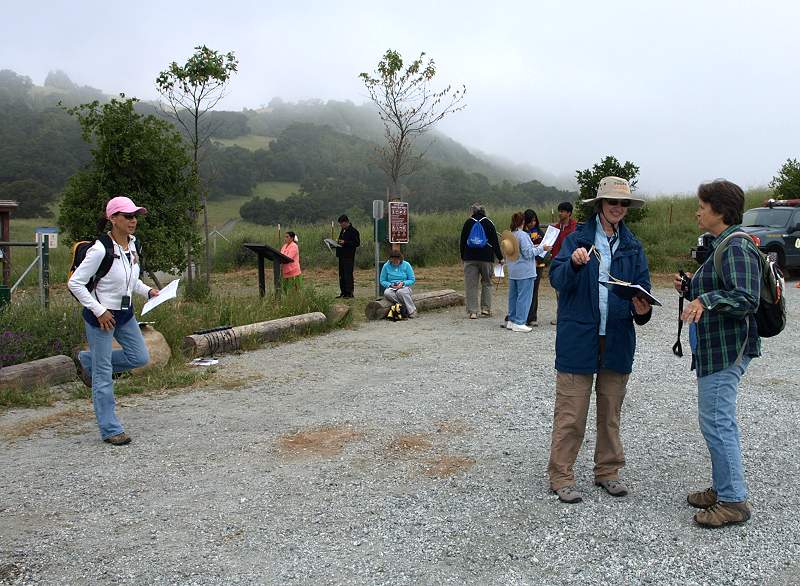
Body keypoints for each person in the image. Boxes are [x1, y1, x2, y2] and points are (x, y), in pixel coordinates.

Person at [547, 176, 652, 503]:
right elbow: (556, 279)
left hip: (617, 339)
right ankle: (561, 476)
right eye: (612, 202)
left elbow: (643, 292)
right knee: (571, 413)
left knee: (610, 414)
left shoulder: (633, 246)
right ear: (600, 205)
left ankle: (608, 471)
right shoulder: (575, 240)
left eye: (623, 203)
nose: (618, 208)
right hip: (578, 337)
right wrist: (574, 264)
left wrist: (642, 309)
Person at [673, 179, 761, 528]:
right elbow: (721, 289)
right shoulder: (722, 244)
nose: (697, 212)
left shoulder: (736, 246)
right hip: (716, 348)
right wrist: (691, 288)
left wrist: (704, 299)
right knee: (715, 421)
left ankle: (733, 501)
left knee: (717, 422)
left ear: (720, 210)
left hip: (728, 349)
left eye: (702, 206)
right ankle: (724, 487)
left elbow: (746, 298)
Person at [68, 196, 159, 446]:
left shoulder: (133, 245)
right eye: (127, 216)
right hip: (101, 318)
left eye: (135, 216)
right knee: (103, 375)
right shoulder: (100, 250)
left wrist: (148, 291)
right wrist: (99, 311)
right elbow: (75, 284)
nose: (133, 220)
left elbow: (130, 280)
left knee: (140, 357)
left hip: (125, 314)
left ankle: (87, 361)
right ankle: (110, 429)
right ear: (113, 219)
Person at [501, 212, 550, 332]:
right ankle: (520, 321)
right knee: (524, 297)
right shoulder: (523, 235)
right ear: (523, 222)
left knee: (513, 297)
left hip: (513, 271)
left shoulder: (510, 235)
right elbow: (528, 253)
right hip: (525, 271)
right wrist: (542, 248)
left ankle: (512, 320)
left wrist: (535, 247)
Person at [459, 203, 503, 319]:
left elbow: (462, 241)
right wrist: (500, 257)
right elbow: (495, 242)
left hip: (470, 257)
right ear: (484, 212)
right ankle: (485, 309)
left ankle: (473, 312)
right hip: (486, 258)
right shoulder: (489, 222)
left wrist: (463, 256)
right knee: (487, 283)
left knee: (471, 285)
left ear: (472, 212)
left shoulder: (468, 222)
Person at [524, 209, 546, 326]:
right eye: (530, 221)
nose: (532, 223)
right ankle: (522, 315)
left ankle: (532, 317)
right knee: (524, 290)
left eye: (534, 221)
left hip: (538, 265)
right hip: (525, 265)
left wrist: (539, 257)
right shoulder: (522, 233)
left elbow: (545, 248)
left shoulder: (540, 232)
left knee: (534, 291)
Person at [380, 250, 417, 318]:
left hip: (404, 287)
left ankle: (412, 311)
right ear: (390, 259)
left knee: (400, 292)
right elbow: (382, 280)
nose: (395, 262)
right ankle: (403, 307)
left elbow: (412, 279)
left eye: (397, 260)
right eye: (393, 261)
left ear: (400, 259)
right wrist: (390, 285)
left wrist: (403, 283)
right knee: (387, 293)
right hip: (391, 287)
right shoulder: (386, 266)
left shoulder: (406, 265)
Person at [336, 214, 360, 298]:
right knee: (342, 274)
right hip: (341, 255)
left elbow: (357, 243)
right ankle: (343, 292)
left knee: (348, 274)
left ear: (346, 222)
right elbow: (341, 241)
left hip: (349, 256)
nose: (341, 226)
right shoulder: (343, 230)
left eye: (342, 224)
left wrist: (345, 242)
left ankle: (349, 293)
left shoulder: (354, 231)